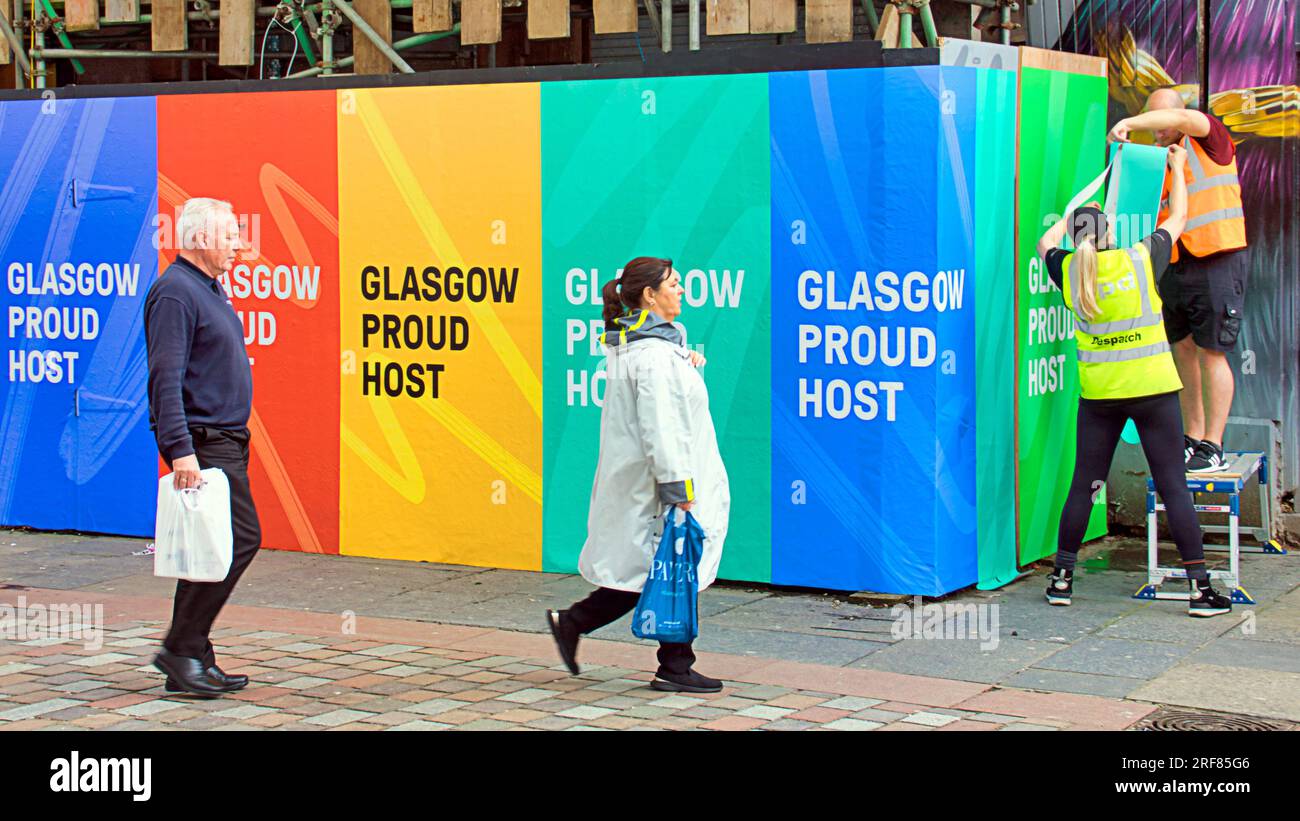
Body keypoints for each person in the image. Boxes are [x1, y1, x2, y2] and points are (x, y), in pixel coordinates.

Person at [1037, 146, 1231, 617]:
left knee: (1084, 484)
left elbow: (1045, 242)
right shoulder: (1140, 259)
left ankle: (1062, 579)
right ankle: (1200, 590)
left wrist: (1068, 218)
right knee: (1173, 485)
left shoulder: (1069, 271)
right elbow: (1181, 215)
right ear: (1108, 235)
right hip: (1154, 391)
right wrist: (1178, 170)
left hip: (1101, 396)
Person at [546, 256, 731, 692]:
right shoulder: (652, 357)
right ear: (651, 295)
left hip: (657, 481)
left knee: (661, 567)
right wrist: (677, 487)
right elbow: (660, 426)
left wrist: (684, 361)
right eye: (675, 284)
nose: (682, 290)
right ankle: (674, 665)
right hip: (661, 486)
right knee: (671, 567)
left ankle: (584, 627)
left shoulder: (653, 349)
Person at [145, 197, 262, 696]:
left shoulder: (207, 288)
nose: (238, 244)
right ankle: (180, 647)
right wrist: (181, 452)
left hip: (226, 442)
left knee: (207, 551)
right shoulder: (175, 293)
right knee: (240, 539)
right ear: (199, 239)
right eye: (229, 235)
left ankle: (193, 656)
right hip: (204, 445)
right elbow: (165, 380)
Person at [1108, 88, 1249, 473]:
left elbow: (1187, 122)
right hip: (1176, 264)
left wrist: (1130, 122)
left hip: (1216, 258)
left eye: (1160, 121)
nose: (1156, 131)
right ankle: (1194, 437)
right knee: (1182, 349)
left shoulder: (1208, 138)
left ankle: (1214, 445)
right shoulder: (1158, 162)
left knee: (1212, 351)